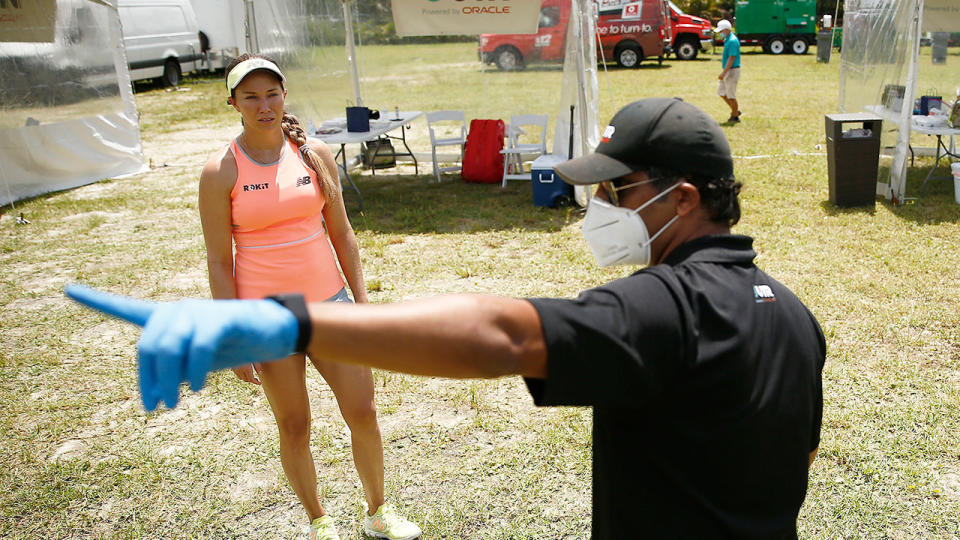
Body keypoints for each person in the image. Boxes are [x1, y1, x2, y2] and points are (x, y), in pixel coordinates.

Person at [68, 98, 826, 539]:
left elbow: (506, 335)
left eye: (615, 192)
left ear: (682, 198)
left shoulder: (665, 307)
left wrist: (296, 325)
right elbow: (796, 459)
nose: (597, 207)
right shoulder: (795, 315)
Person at [195, 53, 420, 540]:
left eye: (272, 93)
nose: (263, 105)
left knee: (363, 411)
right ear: (232, 102)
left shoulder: (313, 154)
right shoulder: (220, 172)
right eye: (250, 96)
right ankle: (320, 521)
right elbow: (218, 261)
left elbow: (343, 235)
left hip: (331, 306)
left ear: (284, 96)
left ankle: (378, 511)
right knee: (295, 426)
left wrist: (363, 307)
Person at [716, 19, 742, 122]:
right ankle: (735, 110)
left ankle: (735, 116)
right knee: (721, 92)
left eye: (721, 31)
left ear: (727, 30)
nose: (720, 33)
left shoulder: (732, 41)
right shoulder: (727, 39)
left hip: (732, 71)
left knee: (731, 94)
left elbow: (732, 58)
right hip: (728, 70)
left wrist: (724, 73)